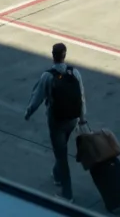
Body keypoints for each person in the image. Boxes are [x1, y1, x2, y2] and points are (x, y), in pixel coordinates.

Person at [25, 42, 86, 201]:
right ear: (65, 55)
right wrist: (82, 119)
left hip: (56, 121)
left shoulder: (48, 76)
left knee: (61, 156)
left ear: (53, 55)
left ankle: (67, 195)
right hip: (72, 120)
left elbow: (37, 97)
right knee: (62, 148)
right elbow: (81, 98)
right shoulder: (75, 73)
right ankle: (57, 174)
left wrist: (29, 112)